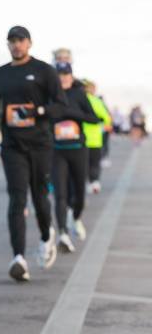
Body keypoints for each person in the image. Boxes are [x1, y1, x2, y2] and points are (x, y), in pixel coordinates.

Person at [0, 26, 67, 282]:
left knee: (40, 197)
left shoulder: (44, 71)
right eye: (12, 41)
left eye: (21, 40)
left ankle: (45, 237)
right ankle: (18, 258)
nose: (16, 45)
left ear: (29, 43)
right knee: (17, 198)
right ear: (7, 44)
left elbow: (61, 105)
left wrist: (38, 112)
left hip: (40, 144)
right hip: (12, 146)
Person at [52, 62, 98, 251]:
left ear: (71, 76)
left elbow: (94, 118)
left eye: (66, 74)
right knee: (60, 194)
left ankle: (76, 218)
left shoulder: (79, 94)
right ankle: (62, 234)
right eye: (60, 74)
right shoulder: (49, 94)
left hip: (78, 149)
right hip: (57, 151)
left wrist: (72, 113)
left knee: (79, 194)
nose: (63, 77)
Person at [82, 80, 111, 193]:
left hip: (80, 139)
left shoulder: (78, 100)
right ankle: (94, 182)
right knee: (94, 163)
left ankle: (84, 183)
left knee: (83, 164)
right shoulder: (96, 101)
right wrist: (105, 125)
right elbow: (106, 118)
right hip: (95, 138)